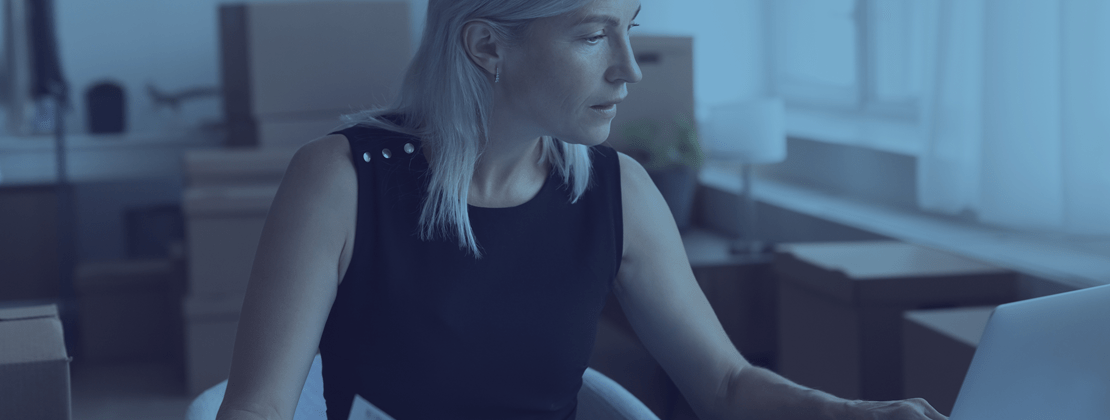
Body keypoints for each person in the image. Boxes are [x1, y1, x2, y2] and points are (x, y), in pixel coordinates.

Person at [215, 0, 947, 419]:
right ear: (485, 46)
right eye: (594, 34)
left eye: (630, 26)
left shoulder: (617, 191)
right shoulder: (341, 180)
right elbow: (256, 411)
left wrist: (857, 416)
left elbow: (724, 385)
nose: (628, 69)